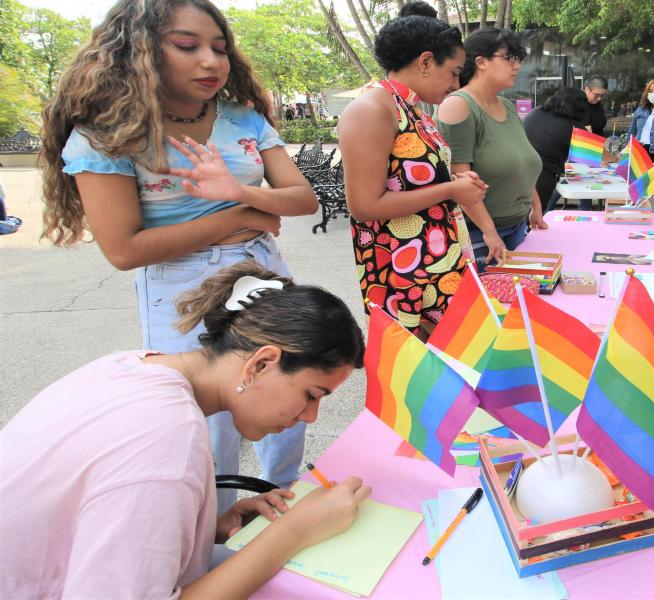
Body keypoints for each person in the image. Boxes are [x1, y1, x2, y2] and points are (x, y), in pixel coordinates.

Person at [38, 0, 318, 510]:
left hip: (264, 270)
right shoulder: (107, 137)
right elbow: (124, 250)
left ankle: (284, 501)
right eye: (187, 46)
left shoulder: (244, 119)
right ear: (139, 51)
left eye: (220, 48)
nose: (211, 61)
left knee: (289, 394)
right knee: (208, 421)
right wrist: (237, 216)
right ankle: (209, 529)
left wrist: (242, 193)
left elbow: (302, 198)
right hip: (181, 287)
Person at [0, 261, 370, 598]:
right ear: (261, 364)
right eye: (311, 395)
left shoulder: (135, 366)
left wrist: (201, 530)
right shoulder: (166, 445)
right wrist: (292, 533)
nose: (310, 416)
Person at [340, 1, 488, 335]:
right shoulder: (372, 109)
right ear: (425, 62)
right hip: (403, 273)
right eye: (453, 71)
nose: (455, 83)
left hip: (432, 265)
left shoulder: (410, 108)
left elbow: (407, 182)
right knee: (418, 374)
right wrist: (450, 189)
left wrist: (452, 180)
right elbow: (364, 206)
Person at [437, 27, 547, 270]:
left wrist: (535, 206)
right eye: (509, 58)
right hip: (482, 235)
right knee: (494, 306)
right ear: (480, 62)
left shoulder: (507, 106)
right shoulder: (458, 106)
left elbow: (523, 161)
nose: (516, 66)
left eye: (517, 59)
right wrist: (489, 232)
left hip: (519, 226)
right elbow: (460, 179)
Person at [523, 87, 590, 212]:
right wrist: (618, 158)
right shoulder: (572, 126)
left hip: (520, 168)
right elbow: (595, 155)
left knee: (523, 215)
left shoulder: (536, 112)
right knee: (535, 215)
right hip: (544, 174)